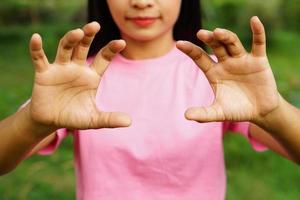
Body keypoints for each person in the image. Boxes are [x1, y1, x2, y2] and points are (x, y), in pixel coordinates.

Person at [0, 0, 299, 199]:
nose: (142, 1)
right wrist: (32, 121)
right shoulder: (79, 79)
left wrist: (273, 111)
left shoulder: (218, 75)